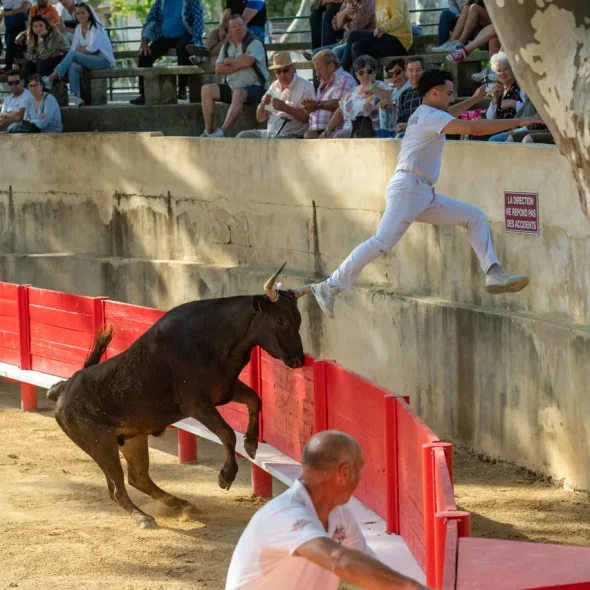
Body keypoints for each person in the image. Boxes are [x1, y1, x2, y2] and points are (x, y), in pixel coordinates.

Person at [309, 69, 541, 319]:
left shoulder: (425, 113)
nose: (451, 98)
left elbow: (449, 115)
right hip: (410, 189)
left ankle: (494, 272)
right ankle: (330, 285)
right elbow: (472, 127)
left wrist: (473, 100)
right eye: (449, 93)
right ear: (434, 92)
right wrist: (519, 121)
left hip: (419, 191)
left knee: (474, 216)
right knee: (381, 242)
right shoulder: (429, 115)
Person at [225, 430, 428, 590]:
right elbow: (338, 559)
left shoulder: (339, 515)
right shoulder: (284, 515)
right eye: (360, 469)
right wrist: (413, 587)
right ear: (345, 472)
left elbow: (367, 568)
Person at [200, 14, 268, 137]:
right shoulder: (227, 45)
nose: (237, 28)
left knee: (239, 93)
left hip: (256, 88)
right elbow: (218, 69)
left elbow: (248, 62)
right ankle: (208, 131)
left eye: (240, 25)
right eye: (234, 26)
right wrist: (239, 62)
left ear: (245, 26)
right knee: (206, 89)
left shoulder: (255, 43)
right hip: (232, 86)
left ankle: (221, 132)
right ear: (229, 30)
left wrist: (228, 61)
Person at [129, 0, 205, 104]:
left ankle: (182, 88)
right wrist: (145, 39)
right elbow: (151, 18)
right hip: (165, 37)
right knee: (144, 54)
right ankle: (144, 94)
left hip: (185, 35)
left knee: (183, 48)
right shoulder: (161, 1)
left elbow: (198, 18)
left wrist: (196, 39)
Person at [41, 2, 115, 107]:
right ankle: (77, 98)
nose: (80, 15)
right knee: (73, 66)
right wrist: (82, 49)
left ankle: (51, 78)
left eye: (83, 13)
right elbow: (74, 48)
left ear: (89, 14)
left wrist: (81, 49)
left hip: (103, 60)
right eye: (78, 13)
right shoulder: (78, 28)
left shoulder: (96, 27)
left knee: (74, 54)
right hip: (88, 59)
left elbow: (92, 49)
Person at [236, 51, 315, 139]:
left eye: (285, 70)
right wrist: (262, 105)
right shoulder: (274, 85)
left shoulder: (306, 87)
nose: (282, 75)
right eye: (278, 71)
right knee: (242, 136)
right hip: (270, 133)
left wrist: (286, 108)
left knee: (275, 141)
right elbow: (260, 118)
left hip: (292, 135)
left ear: (293, 68)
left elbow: (309, 118)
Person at [320, 54, 392, 138]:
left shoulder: (381, 86)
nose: (365, 75)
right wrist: (328, 128)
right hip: (349, 130)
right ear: (357, 75)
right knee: (326, 137)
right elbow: (340, 111)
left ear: (375, 72)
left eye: (369, 71)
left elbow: (390, 96)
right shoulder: (353, 91)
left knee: (337, 136)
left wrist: (372, 88)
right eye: (361, 72)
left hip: (372, 131)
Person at [340, 0, 412, 73]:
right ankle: (361, 82)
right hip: (384, 41)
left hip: (399, 43)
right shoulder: (377, 1)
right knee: (357, 47)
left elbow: (398, 18)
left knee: (353, 34)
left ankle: (343, 73)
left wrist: (383, 28)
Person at [302, 49, 356, 138]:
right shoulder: (323, 82)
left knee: (309, 136)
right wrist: (309, 107)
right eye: (316, 70)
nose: (317, 74)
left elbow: (340, 105)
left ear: (331, 66)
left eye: (319, 69)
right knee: (309, 135)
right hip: (320, 131)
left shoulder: (344, 79)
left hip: (337, 131)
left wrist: (317, 105)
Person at [187, 0, 267, 61]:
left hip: (253, 31)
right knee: (216, 32)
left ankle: (206, 54)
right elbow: (226, 17)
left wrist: (230, 31)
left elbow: (243, 21)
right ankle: (204, 49)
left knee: (232, 34)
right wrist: (222, 28)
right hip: (235, 27)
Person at [22, 15, 70, 81]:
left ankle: (43, 87)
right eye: (35, 26)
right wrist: (38, 56)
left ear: (46, 26)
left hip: (62, 58)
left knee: (42, 63)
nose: (38, 29)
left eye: (41, 25)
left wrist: (40, 39)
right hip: (46, 58)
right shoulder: (32, 36)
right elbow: (29, 55)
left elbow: (45, 56)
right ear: (32, 28)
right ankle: (28, 87)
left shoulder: (54, 34)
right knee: (28, 64)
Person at [377, 57, 409, 137]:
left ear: (405, 72)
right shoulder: (394, 91)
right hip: (392, 131)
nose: (394, 76)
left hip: (405, 131)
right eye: (390, 75)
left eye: (397, 72)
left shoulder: (411, 87)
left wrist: (393, 102)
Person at [394, 55, 423, 137]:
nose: (414, 74)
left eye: (418, 70)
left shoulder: (430, 92)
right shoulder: (403, 95)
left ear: (423, 71)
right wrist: (400, 125)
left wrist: (409, 125)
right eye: (410, 70)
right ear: (406, 73)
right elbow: (400, 119)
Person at [0, 0, 31, 71]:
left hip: (20, 21)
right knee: (8, 43)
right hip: (9, 22)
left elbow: (24, 9)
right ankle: (9, 67)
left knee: (20, 47)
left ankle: (21, 69)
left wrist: (3, 14)